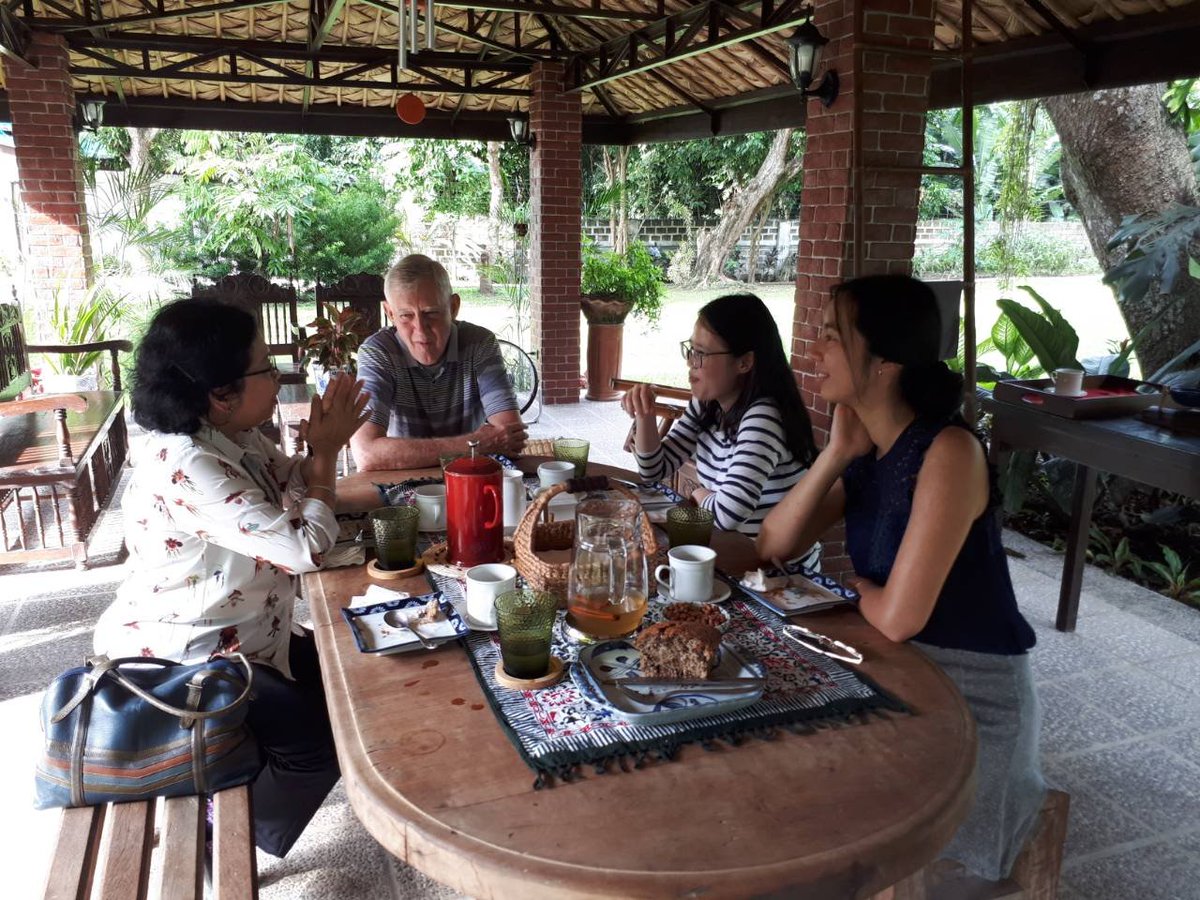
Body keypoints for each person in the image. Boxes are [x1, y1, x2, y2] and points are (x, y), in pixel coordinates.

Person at [757, 274, 1044, 881]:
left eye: (832, 336)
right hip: (899, 670)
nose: (814, 349)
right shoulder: (873, 452)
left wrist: (851, 589)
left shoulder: (948, 453)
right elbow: (774, 544)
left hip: (971, 694)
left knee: (923, 870)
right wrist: (835, 453)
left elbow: (898, 614)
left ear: (884, 359)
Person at [93, 297, 370, 858]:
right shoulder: (186, 462)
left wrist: (315, 462)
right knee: (327, 739)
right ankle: (222, 838)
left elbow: (288, 484)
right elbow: (300, 546)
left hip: (247, 637)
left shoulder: (233, 437)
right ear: (219, 395)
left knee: (358, 679)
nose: (277, 378)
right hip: (185, 661)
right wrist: (324, 452)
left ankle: (237, 800)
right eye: (265, 368)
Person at [621, 293, 819, 563]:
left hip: (777, 577)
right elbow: (654, 470)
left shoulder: (764, 418)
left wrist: (698, 493)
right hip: (732, 556)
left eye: (701, 354)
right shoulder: (707, 404)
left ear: (744, 362)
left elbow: (727, 515)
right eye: (691, 349)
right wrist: (645, 415)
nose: (691, 362)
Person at [350, 253, 527, 470]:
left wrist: (405, 452)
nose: (420, 330)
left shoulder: (479, 344)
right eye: (406, 315)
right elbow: (366, 454)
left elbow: (511, 437)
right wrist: (474, 444)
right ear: (390, 313)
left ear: (453, 307)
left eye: (431, 313)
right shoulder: (377, 352)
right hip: (402, 482)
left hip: (468, 477)